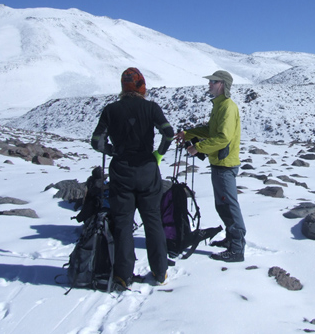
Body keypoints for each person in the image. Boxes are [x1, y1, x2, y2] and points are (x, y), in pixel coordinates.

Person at [91, 67, 174, 289]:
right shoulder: (151, 107)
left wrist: (112, 151)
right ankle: (159, 272)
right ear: (142, 87)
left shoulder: (111, 110)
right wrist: (158, 154)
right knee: (153, 221)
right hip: (147, 169)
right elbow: (168, 133)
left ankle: (123, 275)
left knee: (123, 224)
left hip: (121, 171)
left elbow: (96, 141)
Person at [175, 70, 246, 263]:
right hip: (219, 163)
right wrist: (187, 134)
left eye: (213, 82)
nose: (209, 85)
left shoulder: (227, 107)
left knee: (229, 207)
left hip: (225, 164)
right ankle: (231, 240)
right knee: (222, 205)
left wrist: (197, 148)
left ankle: (237, 249)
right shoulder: (219, 106)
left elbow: (223, 138)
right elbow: (210, 130)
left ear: (222, 84)